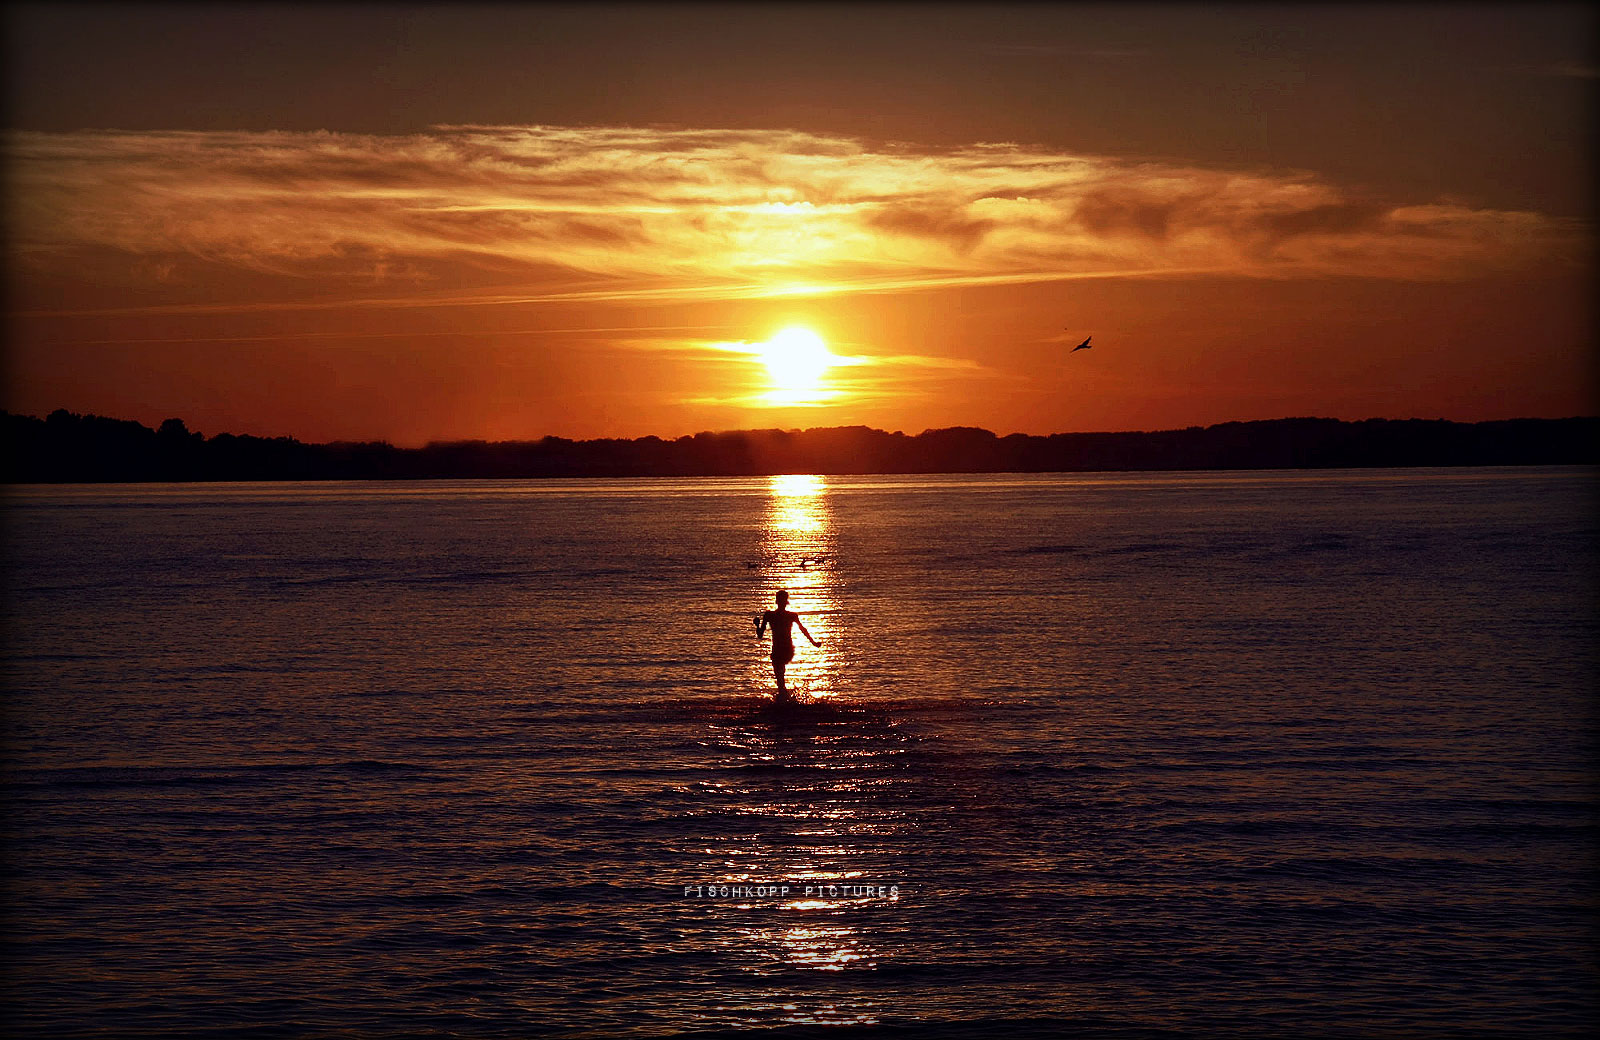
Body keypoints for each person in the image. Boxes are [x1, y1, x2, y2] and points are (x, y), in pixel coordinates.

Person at [755, 589, 820, 701]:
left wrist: (813, 642)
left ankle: (783, 699)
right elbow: (760, 635)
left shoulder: (786, 615)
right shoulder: (770, 615)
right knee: (780, 675)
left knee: (779, 674)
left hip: (785, 649)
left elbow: (803, 629)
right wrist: (757, 625)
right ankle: (785, 698)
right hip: (780, 649)